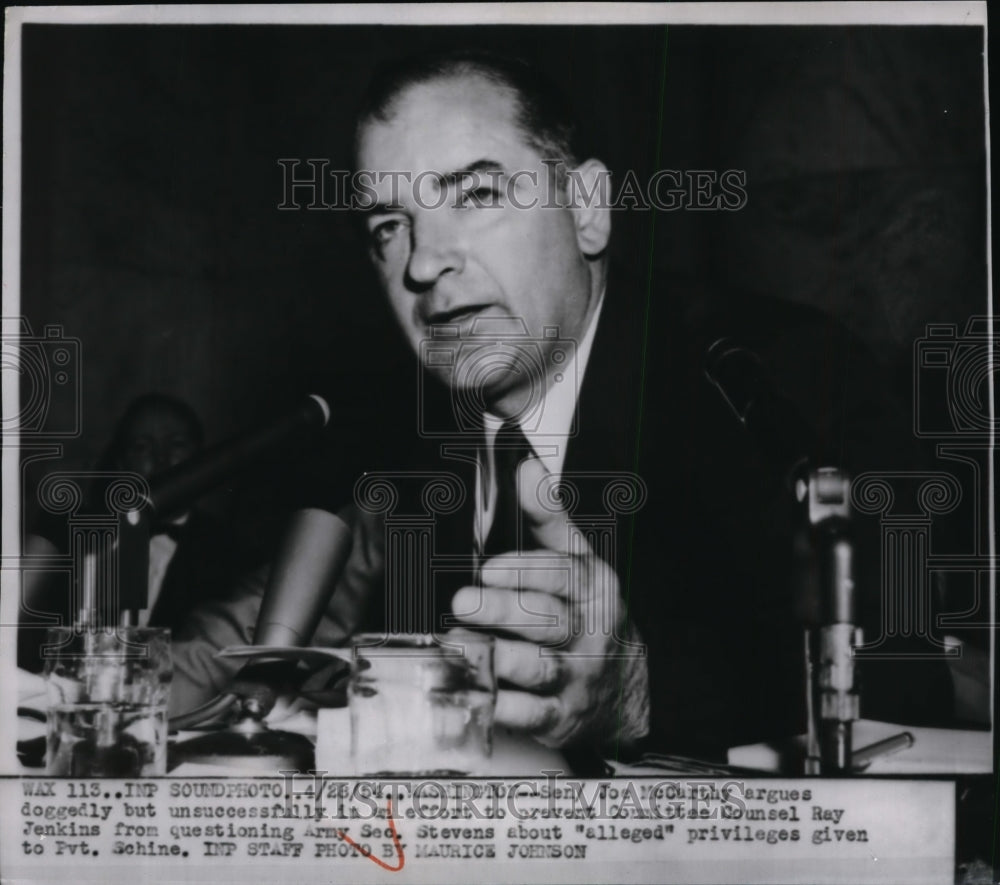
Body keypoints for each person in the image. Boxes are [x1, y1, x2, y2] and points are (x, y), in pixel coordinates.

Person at [170, 50, 956, 758]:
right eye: (389, 225)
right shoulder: (408, 435)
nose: (425, 262)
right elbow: (264, 633)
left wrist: (642, 691)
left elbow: (905, 678)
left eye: (474, 192)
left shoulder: (767, 379)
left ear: (587, 208)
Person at [19, 394, 245, 669]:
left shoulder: (231, 553)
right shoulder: (65, 529)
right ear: (121, 463)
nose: (162, 459)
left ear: (200, 456)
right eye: (143, 447)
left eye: (177, 445)